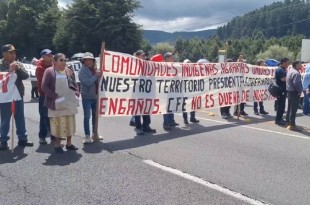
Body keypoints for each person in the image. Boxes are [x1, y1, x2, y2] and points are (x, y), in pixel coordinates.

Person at [42, 53, 79, 153]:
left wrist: (77, 94)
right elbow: (44, 87)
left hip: (69, 102)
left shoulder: (69, 70)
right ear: (54, 62)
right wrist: (55, 97)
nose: (64, 62)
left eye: (65, 60)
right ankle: (58, 144)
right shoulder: (49, 71)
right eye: (61, 60)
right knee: (57, 124)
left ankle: (69, 143)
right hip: (56, 102)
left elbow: (74, 84)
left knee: (70, 123)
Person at [0, 44, 33, 150]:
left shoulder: (18, 63)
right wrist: (9, 71)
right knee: (5, 119)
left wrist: (18, 69)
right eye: (10, 53)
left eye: (14, 52)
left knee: (19, 117)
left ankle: (23, 139)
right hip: (5, 96)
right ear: (4, 54)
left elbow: (26, 76)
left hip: (18, 95)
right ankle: (3, 140)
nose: (13, 55)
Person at [78, 52, 104, 143]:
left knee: (95, 117)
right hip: (87, 98)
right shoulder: (82, 71)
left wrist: (100, 76)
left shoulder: (96, 69)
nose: (88, 61)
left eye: (90, 60)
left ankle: (95, 133)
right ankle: (87, 136)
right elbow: (88, 82)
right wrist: (96, 76)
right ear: (83, 61)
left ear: (93, 61)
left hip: (96, 97)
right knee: (87, 117)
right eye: (86, 60)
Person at [131, 50, 156, 135]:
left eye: (144, 56)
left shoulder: (146, 65)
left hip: (145, 91)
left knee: (146, 109)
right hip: (137, 92)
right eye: (142, 56)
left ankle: (146, 126)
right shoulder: (133, 65)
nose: (144, 57)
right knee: (138, 110)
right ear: (137, 56)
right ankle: (138, 127)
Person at [36, 49, 55, 144]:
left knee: (53, 116)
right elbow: (45, 82)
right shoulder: (40, 67)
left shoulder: (53, 65)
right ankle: (42, 136)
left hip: (53, 95)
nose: (51, 56)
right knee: (44, 116)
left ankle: (54, 136)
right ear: (43, 57)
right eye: (48, 55)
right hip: (44, 95)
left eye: (51, 55)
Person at [162, 52, 179, 130]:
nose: (173, 58)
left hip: (173, 89)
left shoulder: (173, 66)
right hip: (165, 90)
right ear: (167, 58)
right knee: (166, 107)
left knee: (171, 105)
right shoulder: (162, 66)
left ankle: (171, 121)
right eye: (171, 57)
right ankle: (166, 123)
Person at [286, 61, 303, 131]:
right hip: (294, 92)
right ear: (296, 65)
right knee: (294, 109)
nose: (301, 66)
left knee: (290, 108)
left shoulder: (290, 71)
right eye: (300, 65)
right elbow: (296, 83)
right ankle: (292, 125)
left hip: (289, 91)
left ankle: (288, 122)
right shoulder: (296, 73)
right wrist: (299, 91)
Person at [182, 59, 199, 124]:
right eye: (187, 63)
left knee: (193, 105)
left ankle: (192, 118)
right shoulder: (182, 72)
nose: (188, 65)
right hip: (184, 92)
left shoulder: (193, 72)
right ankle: (185, 119)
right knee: (185, 106)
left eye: (189, 63)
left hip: (191, 91)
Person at [275, 58, 289, 125]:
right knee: (281, 105)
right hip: (281, 90)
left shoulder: (282, 69)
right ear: (283, 62)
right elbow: (283, 79)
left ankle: (280, 118)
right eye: (287, 63)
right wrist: (290, 78)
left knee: (282, 105)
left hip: (283, 90)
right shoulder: (280, 70)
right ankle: (278, 120)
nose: (288, 64)